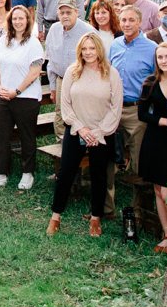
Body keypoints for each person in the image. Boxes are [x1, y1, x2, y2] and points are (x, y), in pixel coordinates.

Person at [47, 33, 123, 237]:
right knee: (65, 173)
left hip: (101, 133)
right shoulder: (73, 72)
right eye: (84, 49)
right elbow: (65, 105)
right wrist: (81, 128)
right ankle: (56, 216)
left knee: (99, 176)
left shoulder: (111, 74)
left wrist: (98, 133)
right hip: (76, 130)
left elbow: (116, 108)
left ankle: (96, 218)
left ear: (99, 49)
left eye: (92, 48)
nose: (88, 53)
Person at [0, 5, 46, 192]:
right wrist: (0, 86)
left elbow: (35, 72)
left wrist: (16, 91)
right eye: (14, 18)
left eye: (21, 18)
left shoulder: (33, 43)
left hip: (25, 97)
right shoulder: (4, 40)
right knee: (2, 135)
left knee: (27, 136)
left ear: (27, 21)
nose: (17, 21)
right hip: (3, 95)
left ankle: (28, 173)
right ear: (10, 21)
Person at [105, 6, 158, 215]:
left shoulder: (151, 48)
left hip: (137, 110)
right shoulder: (115, 45)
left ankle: (139, 210)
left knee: (138, 161)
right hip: (114, 107)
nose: (126, 24)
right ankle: (106, 207)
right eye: (123, 20)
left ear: (139, 22)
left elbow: (157, 80)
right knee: (108, 157)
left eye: (131, 20)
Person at [137, 42, 167, 252]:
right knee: (158, 189)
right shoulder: (150, 82)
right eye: (160, 57)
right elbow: (142, 113)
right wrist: (163, 121)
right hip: (155, 139)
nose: (164, 61)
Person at [43, 0, 94, 136]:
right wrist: (52, 86)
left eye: (68, 12)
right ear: (58, 14)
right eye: (62, 12)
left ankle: (83, 142)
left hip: (82, 79)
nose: (65, 16)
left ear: (76, 12)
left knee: (81, 112)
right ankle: (61, 143)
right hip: (61, 79)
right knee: (60, 112)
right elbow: (50, 61)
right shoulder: (54, 30)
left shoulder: (88, 31)